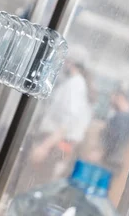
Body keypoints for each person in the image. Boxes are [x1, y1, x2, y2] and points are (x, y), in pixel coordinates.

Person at [25, 46, 95, 185]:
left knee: (36, 184)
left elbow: (66, 123)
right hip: (53, 142)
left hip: (54, 144)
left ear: (72, 63)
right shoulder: (72, 83)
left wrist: (44, 147)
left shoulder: (75, 85)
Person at [99, 83, 129, 176]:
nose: (111, 102)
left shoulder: (121, 118)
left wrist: (103, 150)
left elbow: (116, 139)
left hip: (111, 159)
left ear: (120, 98)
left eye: (113, 99)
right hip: (116, 159)